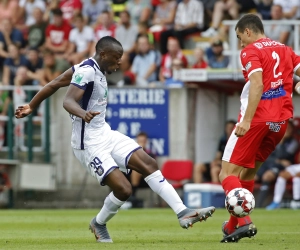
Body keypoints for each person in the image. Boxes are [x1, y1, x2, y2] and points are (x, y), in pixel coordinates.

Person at [15, 36, 215, 243]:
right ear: (103, 54)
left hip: (105, 133)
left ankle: (183, 212)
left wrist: (31, 105)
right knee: (124, 189)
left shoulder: (91, 69)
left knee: (148, 164)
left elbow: (55, 83)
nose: (119, 62)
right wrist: (82, 113)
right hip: (89, 145)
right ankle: (99, 223)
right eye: (116, 57)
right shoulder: (86, 72)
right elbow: (68, 100)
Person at [218, 14, 300, 243]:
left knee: (226, 173)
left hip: (256, 120)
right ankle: (233, 225)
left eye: (239, 38)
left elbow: (257, 83)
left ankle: (244, 222)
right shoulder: (285, 49)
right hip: (280, 123)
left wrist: (246, 120)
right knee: (248, 173)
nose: (240, 44)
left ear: (248, 32)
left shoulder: (250, 50)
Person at [255, 120, 298, 208]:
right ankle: (245, 203)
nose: (288, 130)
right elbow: (267, 155)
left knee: (267, 176)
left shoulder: (293, 142)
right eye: (286, 128)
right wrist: (278, 160)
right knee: (251, 176)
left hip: (282, 167)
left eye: (289, 128)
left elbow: (285, 155)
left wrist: (282, 141)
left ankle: (259, 205)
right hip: (269, 163)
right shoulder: (273, 139)